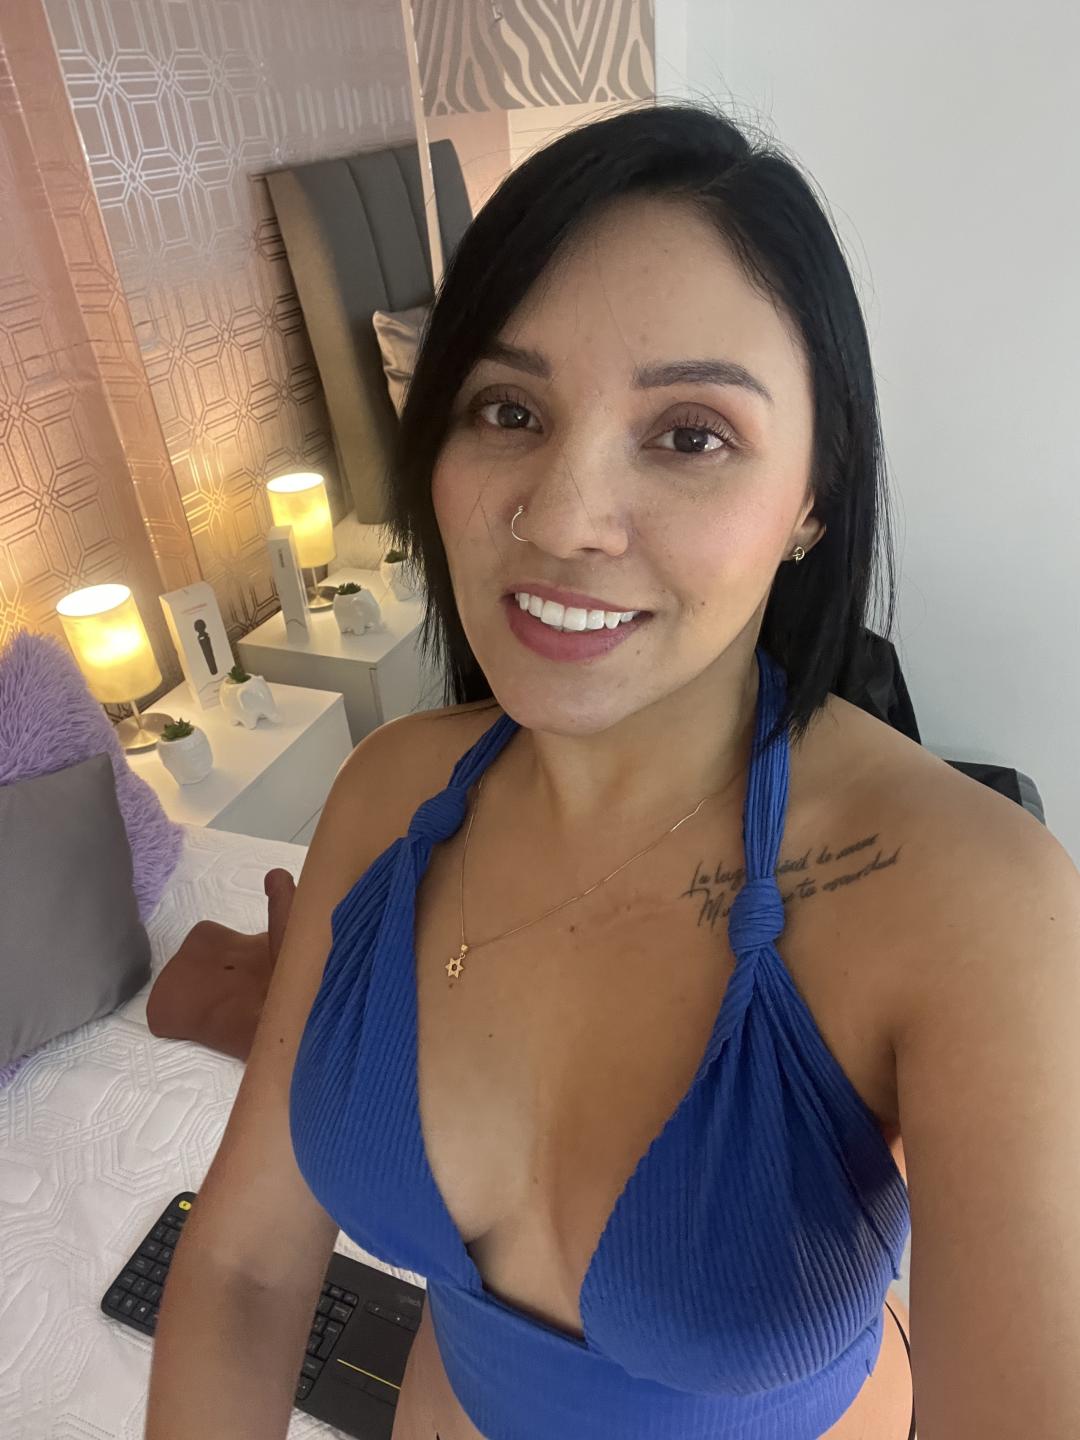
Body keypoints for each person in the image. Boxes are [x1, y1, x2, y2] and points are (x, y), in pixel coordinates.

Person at [145, 102, 1080, 1440]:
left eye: (690, 434)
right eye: (508, 409)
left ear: (813, 493)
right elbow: (242, 1271)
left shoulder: (979, 899)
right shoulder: (388, 798)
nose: (564, 517)